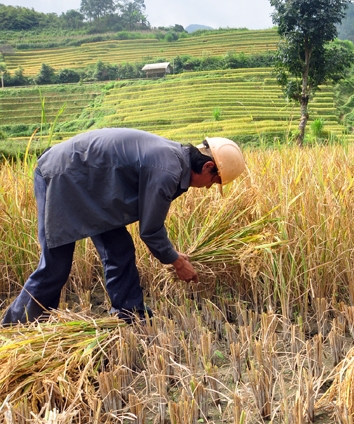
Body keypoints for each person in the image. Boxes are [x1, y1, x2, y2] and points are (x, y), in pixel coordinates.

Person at [1, 128, 246, 324]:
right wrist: (177, 262)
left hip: (91, 186)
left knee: (119, 249)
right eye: (213, 182)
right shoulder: (167, 171)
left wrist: (172, 254)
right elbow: (150, 229)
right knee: (55, 265)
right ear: (206, 166)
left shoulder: (172, 161)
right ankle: (16, 328)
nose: (207, 188)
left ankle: (129, 313)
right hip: (63, 177)